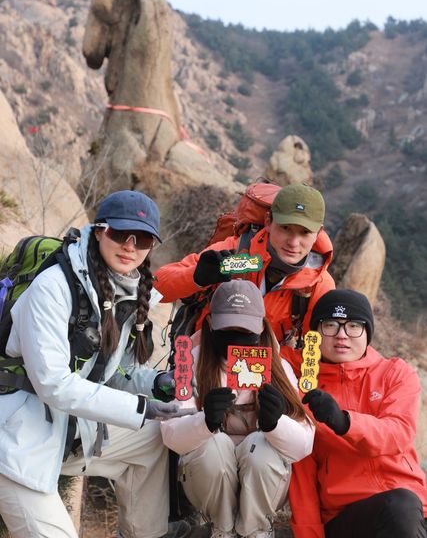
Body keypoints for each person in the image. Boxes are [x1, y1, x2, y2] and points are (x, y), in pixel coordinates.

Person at [0, 189, 194, 538]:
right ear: (100, 230)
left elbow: (115, 373)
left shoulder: (124, 291)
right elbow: (53, 384)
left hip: (61, 427)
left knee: (152, 438)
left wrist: (155, 384)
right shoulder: (53, 286)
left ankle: (145, 533)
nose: (130, 246)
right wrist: (142, 408)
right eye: (121, 233)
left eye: (143, 239)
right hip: (15, 438)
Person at [161, 279, 315, 538]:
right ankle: (221, 530)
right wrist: (205, 422)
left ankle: (256, 530)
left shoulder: (278, 369)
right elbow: (170, 434)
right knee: (214, 445)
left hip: (262, 481)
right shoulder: (192, 364)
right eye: (227, 328)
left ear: (261, 326)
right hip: (208, 481)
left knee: (261, 446)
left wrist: (276, 424)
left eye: (245, 330)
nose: (236, 337)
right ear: (211, 323)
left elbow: (304, 444)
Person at [284, 289, 427, 538]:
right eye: (330, 325)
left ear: (367, 333)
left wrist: (344, 422)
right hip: (346, 517)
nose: (342, 335)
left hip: (413, 507)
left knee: (403, 507)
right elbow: (302, 476)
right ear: (315, 334)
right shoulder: (303, 391)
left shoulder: (395, 373)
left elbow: (398, 433)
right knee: (399, 507)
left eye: (353, 326)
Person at [154, 183, 335, 347]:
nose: (293, 243)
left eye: (305, 232)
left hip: (268, 368)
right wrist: (196, 277)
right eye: (285, 228)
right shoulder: (237, 253)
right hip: (207, 359)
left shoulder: (317, 283)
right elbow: (157, 288)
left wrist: (275, 358)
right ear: (268, 222)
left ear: (318, 233)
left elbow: (319, 350)